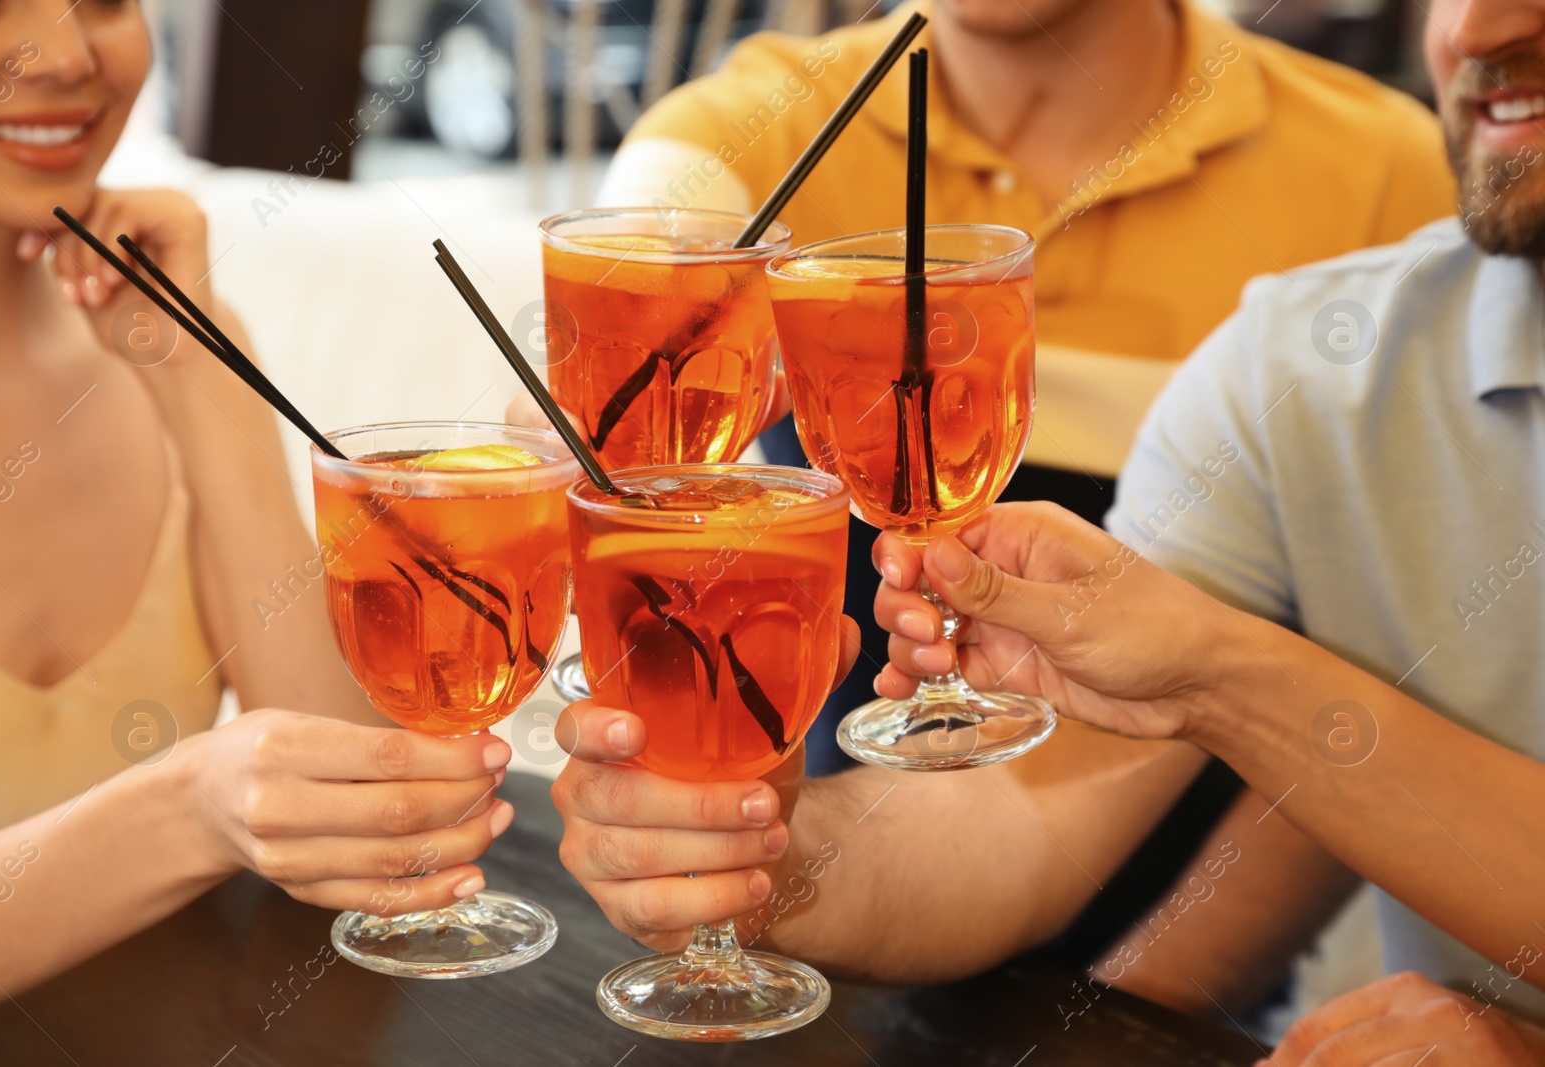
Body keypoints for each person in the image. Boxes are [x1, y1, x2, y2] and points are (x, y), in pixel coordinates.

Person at [551, 0, 1545, 1050]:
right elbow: (1021, 822)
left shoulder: (1361, 189)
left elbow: (1309, 749)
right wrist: (755, 856)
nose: (1476, 25)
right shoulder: (1297, 355)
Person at [596, 0, 1457, 772]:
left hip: (1202, 879)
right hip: (841, 835)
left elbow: (1422, 646)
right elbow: (642, 262)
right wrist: (611, 390)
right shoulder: (759, 121)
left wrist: (1183, 958)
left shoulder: (1388, 164)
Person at [0, 0, 507, 1018]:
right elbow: (234, 805)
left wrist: (206, 375)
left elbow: (365, 827)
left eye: (103, 0)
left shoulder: (157, 340)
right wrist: (187, 811)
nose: (70, 55)